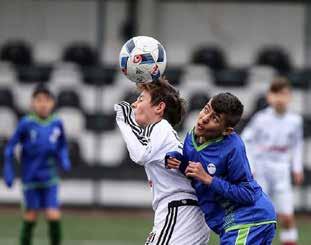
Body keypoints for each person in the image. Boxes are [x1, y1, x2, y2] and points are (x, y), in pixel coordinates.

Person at [166, 92, 277, 244]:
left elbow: (248, 193)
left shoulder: (233, 147)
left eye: (215, 119)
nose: (204, 119)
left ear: (227, 130)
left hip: (249, 219)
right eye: (206, 109)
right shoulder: (192, 137)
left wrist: (209, 179)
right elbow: (193, 170)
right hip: (235, 224)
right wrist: (176, 159)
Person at [114, 78, 209, 245]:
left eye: (141, 99)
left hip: (180, 211)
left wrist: (124, 121)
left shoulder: (161, 128)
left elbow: (140, 154)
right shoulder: (161, 132)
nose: (134, 105)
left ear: (159, 107)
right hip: (182, 213)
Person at [3, 85, 71, 245]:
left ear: (52, 103)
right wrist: (8, 168)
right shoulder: (26, 123)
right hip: (30, 178)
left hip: (50, 178)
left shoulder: (57, 123)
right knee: (31, 216)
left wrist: (64, 158)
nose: (43, 104)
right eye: (39, 100)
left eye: (46, 100)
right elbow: (10, 147)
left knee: (53, 215)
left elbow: (62, 144)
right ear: (32, 103)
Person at [241, 78, 303, 245]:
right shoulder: (260, 118)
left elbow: (296, 145)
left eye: (283, 94)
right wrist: (251, 166)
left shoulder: (295, 121)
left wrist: (297, 168)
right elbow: (246, 141)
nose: (279, 98)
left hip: (282, 169)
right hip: (262, 169)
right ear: (269, 96)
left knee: (287, 216)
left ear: (289, 97)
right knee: (261, 214)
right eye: (275, 93)